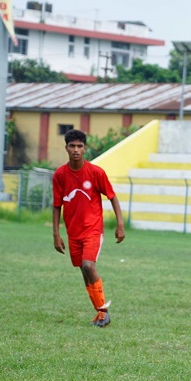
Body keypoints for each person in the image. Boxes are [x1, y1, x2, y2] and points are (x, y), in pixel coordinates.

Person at [52, 129, 125, 327]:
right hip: (73, 232)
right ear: (66, 148)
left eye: (80, 146)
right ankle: (100, 312)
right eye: (72, 146)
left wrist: (120, 224)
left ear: (85, 148)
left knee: (88, 265)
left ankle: (103, 312)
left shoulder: (95, 172)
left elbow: (112, 196)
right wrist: (56, 234)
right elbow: (57, 205)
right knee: (83, 271)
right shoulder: (60, 175)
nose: (76, 150)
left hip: (93, 229)